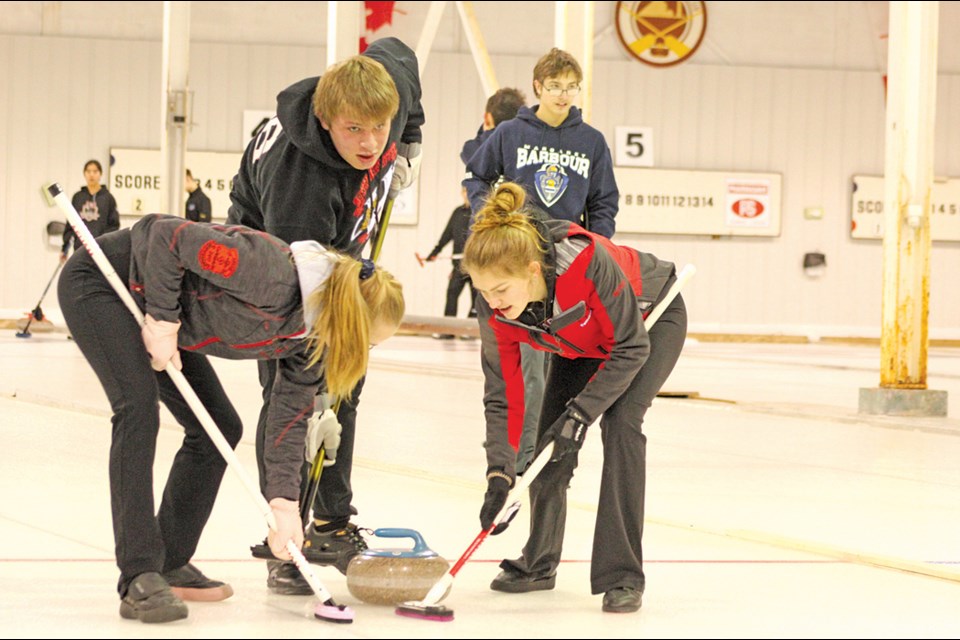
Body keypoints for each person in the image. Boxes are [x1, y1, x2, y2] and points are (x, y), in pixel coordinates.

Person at [58, 213, 405, 623]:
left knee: (218, 427)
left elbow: (289, 416)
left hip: (158, 306)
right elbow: (167, 236)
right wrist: (164, 319)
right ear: (349, 321)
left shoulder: (312, 341)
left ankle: (170, 560)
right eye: (368, 343)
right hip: (104, 283)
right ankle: (139, 572)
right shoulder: (269, 274)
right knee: (138, 410)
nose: (365, 355)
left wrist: (285, 504)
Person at [226, 36, 424, 594]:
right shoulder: (301, 188)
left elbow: (398, 50)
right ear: (326, 117)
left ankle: (332, 522)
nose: (370, 142)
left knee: (347, 386)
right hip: (273, 259)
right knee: (298, 396)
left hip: (341, 239)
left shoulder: (389, 93)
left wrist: (407, 144)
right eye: (354, 129)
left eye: (379, 127)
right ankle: (286, 537)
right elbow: (305, 289)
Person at [462, 183, 686, 614]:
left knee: (620, 424)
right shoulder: (496, 303)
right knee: (552, 440)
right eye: (484, 292)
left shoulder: (583, 260)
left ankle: (622, 575)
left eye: (501, 291)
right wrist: (499, 471)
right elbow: (503, 393)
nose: (492, 302)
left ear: (531, 270)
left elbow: (631, 348)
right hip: (579, 339)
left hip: (647, 320)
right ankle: (539, 562)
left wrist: (581, 414)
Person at [463, 48, 619, 474]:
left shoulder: (592, 142)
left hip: (565, 265)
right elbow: (475, 175)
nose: (563, 94)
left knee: (559, 370)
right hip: (517, 260)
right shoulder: (512, 133)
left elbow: (604, 201)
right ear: (538, 87)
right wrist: (485, 214)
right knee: (520, 368)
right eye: (555, 86)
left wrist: (596, 245)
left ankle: (548, 457)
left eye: (571, 87)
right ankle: (517, 458)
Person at [420, 187, 477, 336]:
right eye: (465, 191)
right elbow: (446, 236)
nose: (467, 194)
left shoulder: (480, 212)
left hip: (476, 267)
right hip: (458, 266)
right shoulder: (457, 213)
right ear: (462, 193)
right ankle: (448, 330)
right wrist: (433, 254)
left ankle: (470, 330)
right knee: (452, 294)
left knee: (476, 299)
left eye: (469, 191)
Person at [61, 159, 120, 264]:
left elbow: (114, 225)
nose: (91, 175)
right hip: (80, 248)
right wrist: (64, 249)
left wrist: (103, 242)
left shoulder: (108, 198)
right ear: (84, 173)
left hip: (101, 249)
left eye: (95, 171)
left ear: (100, 174)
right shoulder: (78, 197)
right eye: (88, 171)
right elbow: (70, 224)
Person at [459, 87, 526, 166]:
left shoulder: (474, 150)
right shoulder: (532, 148)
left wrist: (487, 123)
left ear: (487, 118)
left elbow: (478, 143)